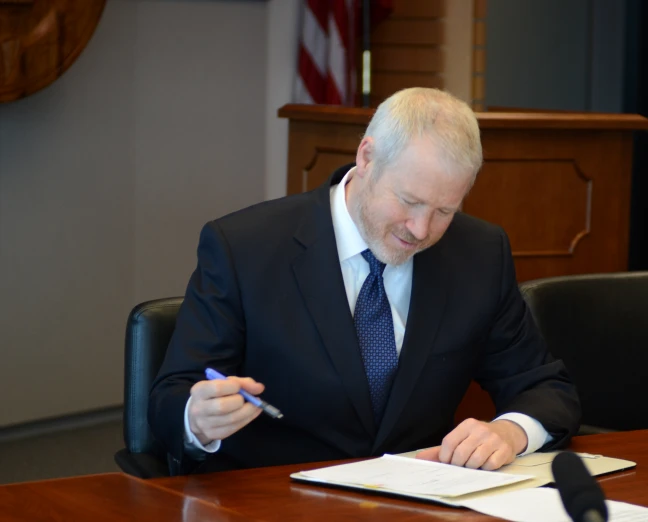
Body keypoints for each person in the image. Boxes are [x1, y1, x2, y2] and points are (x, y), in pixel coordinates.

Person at [148, 87, 580, 475]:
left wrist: (511, 431)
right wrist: (197, 419)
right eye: (409, 200)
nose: (421, 229)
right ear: (367, 156)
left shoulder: (479, 254)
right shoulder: (244, 247)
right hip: (277, 501)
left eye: (444, 211)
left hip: (418, 503)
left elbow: (544, 386)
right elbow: (171, 398)